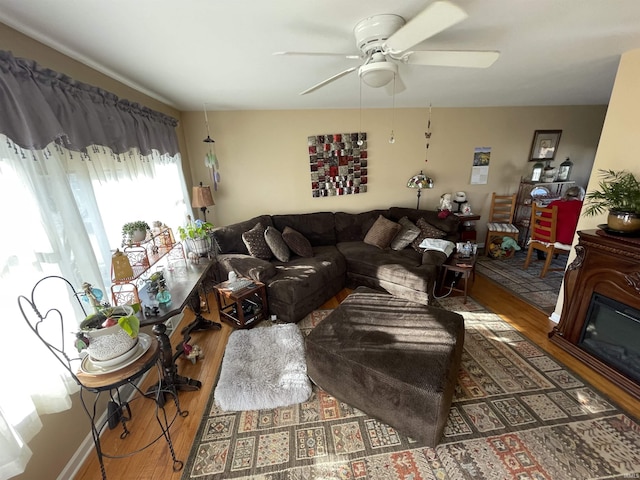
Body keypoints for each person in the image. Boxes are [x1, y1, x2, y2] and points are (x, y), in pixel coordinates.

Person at [536, 186, 584, 259]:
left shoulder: (555, 202)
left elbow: (543, 217)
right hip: (559, 239)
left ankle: (541, 253)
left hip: (541, 235)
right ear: (580, 195)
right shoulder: (580, 205)